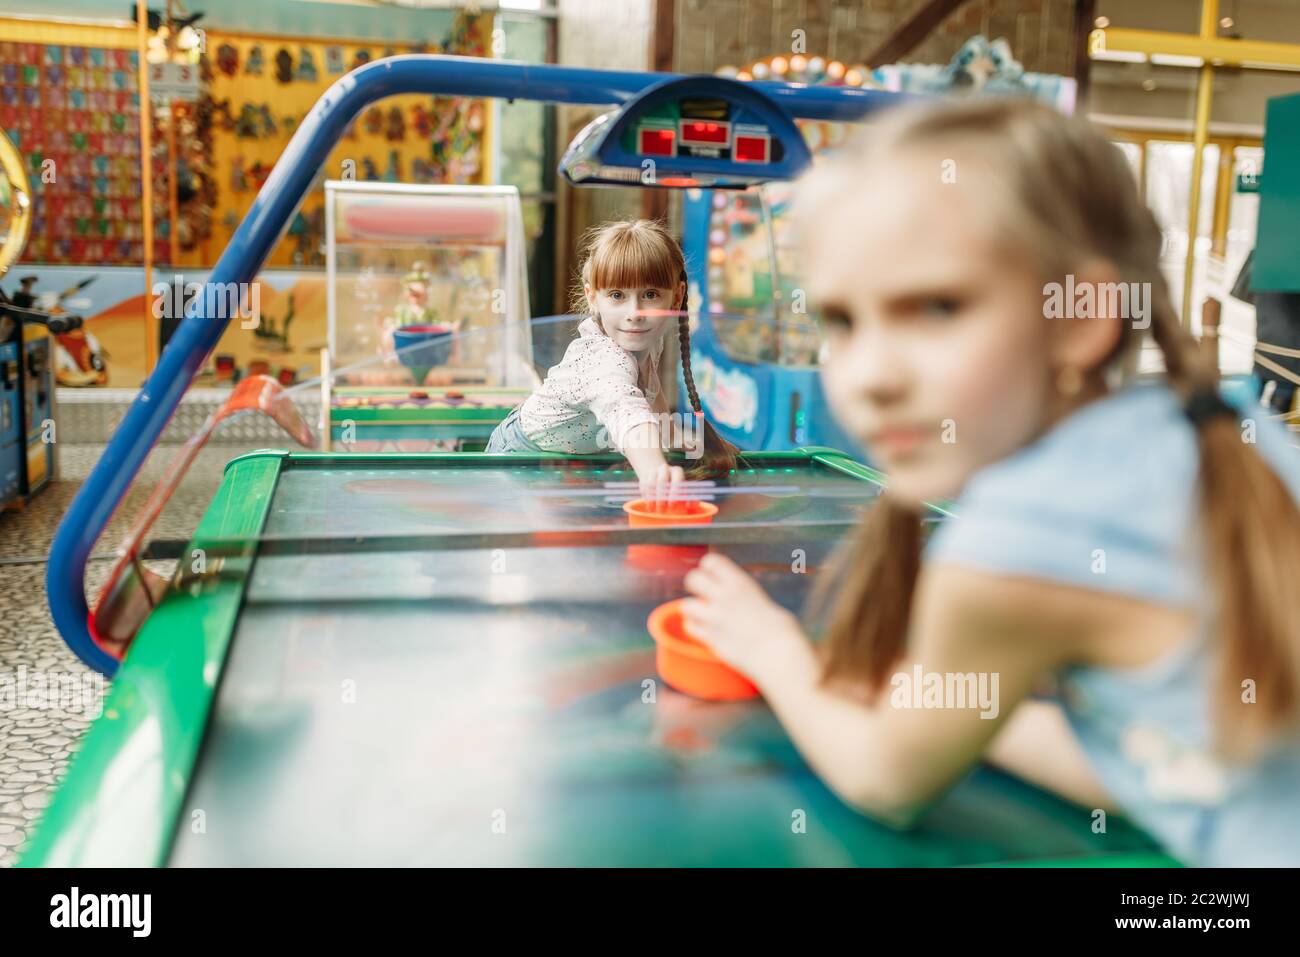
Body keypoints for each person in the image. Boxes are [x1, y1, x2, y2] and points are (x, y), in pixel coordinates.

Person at [681, 98, 1300, 866]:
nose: (869, 375)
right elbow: (1171, 757)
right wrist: (949, 695)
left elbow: (886, 777)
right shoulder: (1226, 429)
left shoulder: (1018, 542)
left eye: (937, 306)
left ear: (1079, 317)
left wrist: (773, 649)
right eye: (840, 321)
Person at [486, 220, 738, 502]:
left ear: (676, 297)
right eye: (617, 295)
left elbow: (648, 390)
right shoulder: (604, 360)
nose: (635, 313)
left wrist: (668, 431)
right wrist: (655, 470)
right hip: (521, 454)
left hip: (571, 457)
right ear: (592, 297)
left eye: (650, 295)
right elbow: (626, 409)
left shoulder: (644, 337)